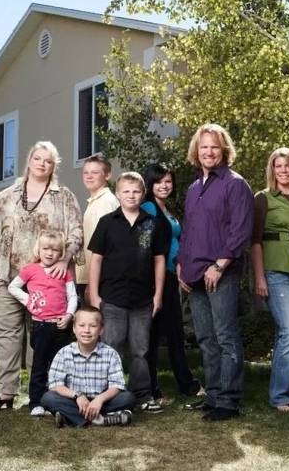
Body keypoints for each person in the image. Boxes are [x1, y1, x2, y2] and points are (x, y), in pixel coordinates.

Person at [0, 141, 83, 412]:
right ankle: (5, 393)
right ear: (29, 160)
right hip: (8, 275)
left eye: (48, 161)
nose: (42, 164)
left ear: (54, 166)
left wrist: (64, 257)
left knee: (42, 338)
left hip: (49, 281)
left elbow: (76, 233)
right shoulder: (7, 196)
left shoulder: (64, 197)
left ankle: (41, 393)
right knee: (6, 334)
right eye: (37, 158)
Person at [177, 124, 254, 422]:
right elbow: (189, 232)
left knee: (225, 337)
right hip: (195, 273)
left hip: (222, 272)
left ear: (224, 151)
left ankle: (229, 400)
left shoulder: (235, 184)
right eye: (204, 146)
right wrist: (182, 264)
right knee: (206, 338)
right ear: (197, 151)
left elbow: (241, 230)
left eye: (214, 147)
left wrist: (220, 265)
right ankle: (213, 395)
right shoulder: (194, 188)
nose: (208, 152)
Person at [88, 171, 168, 414]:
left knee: (140, 350)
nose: (131, 195)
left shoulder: (151, 224)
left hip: (143, 300)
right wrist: (93, 294)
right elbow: (96, 260)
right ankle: (104, 394)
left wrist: (158, 296)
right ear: (118, 194)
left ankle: (142, 395)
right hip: (111, 297)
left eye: (136, 191)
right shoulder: (107, 222)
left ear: (143, 194)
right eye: (126, 191)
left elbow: (159, 261)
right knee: (110, 346)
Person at [251, 148, 289, 412]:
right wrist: (260, 276)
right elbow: (255, 241)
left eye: (288, 166)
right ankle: (280, 397)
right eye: (278, 166)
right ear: (272, 170)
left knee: (286, 334)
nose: (283, 170)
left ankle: (285, 391)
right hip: (274, 271)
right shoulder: (262, 199)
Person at [141, 163, 203, 403]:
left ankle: (183, 384)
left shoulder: (165, 208)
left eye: (168, 181)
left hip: (170, 278)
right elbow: (149, 246)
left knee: (172, 332)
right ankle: (153, 388)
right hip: (156, 280)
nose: (165, 186)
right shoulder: (148, 208)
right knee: (155, 335)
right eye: (159, 182)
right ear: (150, 184)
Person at [8, 230, 78, 416]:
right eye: (45, 248)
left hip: (60, 326)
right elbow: (12, 287)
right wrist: (29, 300)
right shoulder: (30, 269)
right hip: (40, 326)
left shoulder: (64, 271)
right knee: (39, 365)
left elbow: (72, 296)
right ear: (38, 249)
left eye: (55, 250)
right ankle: (36, 403)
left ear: (61, 253)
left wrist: (69, 315)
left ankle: (60, 403)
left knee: (61, 366)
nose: (49, 253)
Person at [41, 305, 136, 428]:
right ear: (74, 328)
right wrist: (77, 396)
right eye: (81, 325)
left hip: (102, 401)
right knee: (48, 398)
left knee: (128, 398)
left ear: (101, 329)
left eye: (92, 326)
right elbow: (55, 385)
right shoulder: (64, 353)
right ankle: (101, 419)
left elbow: (117, 385)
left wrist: (99, 400)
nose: (86, 330)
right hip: (74, 401)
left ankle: (70, 417)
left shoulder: (110, 353)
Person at [76, 155, 119, 301]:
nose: (88, 177)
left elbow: (106, 246)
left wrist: (92, 285)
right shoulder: (95, 201)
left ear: (107, 175)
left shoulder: (106, 203)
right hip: (89, 278)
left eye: (94, 173)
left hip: (98, 281)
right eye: (86, 173)